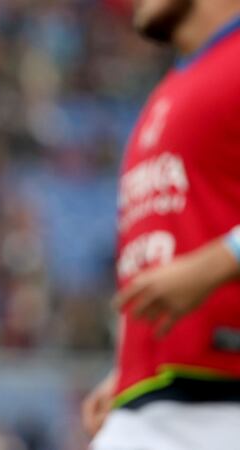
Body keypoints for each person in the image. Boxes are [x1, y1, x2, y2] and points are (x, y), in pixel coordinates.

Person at [81, 1, 240, 448]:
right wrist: (129, 367)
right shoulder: (173, 87)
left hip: (220, 399)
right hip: (157, 397)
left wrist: (216, 264)